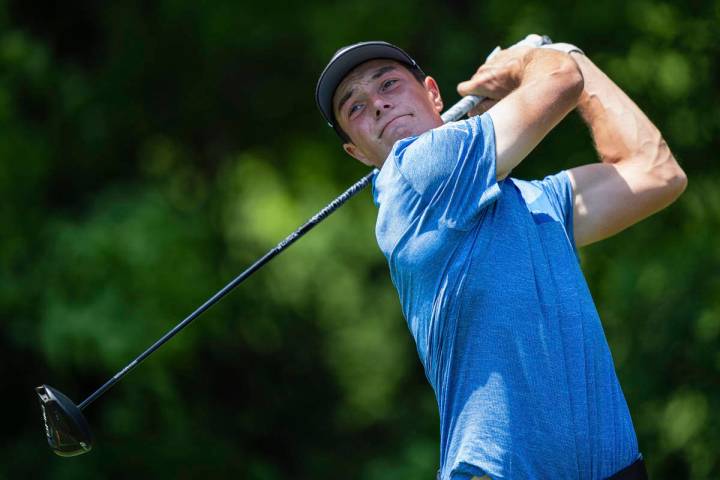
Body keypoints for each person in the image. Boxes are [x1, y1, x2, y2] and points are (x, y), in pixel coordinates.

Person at [315, 38, 686, 480]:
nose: (376, 104)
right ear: (357, 153)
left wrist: (572, 56)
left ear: (433, 93)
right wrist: (536, 58)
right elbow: (560, 82)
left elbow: (657, 173)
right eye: (354, 108)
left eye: (389, 84)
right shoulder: (415, 172)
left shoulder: (533, 202)